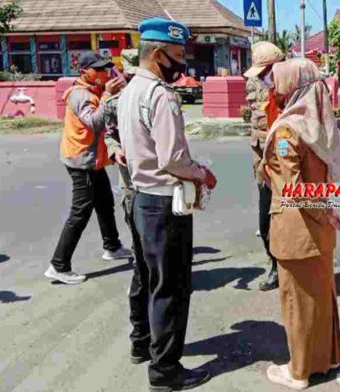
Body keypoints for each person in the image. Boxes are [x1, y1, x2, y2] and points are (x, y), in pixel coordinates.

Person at [118, 17, 217, 391]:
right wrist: (202, 173)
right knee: (171, 289)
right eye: (177, 55)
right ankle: (166, 372)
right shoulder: (160, 95)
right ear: (157, 54)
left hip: (140, 199)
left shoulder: (129, 91)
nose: (181, 64)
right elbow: (173, 157)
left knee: (147, 281)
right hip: (163, 204)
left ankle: (142, 345)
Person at [263, 59, 340, 390]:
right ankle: (327, 359)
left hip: (298, 232)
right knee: (320, 299)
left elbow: (293, 190)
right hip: (319, 230)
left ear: (291, 89)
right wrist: (326, 212)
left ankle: (298, 372)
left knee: (298, 303)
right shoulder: (316, 125)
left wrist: (323, 212)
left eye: (279, 85)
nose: (275, 91)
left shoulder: (287, 130)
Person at [44, 52, 131, 285]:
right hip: (82, 161)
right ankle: (58, 265)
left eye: (106, 69)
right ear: (85, 72)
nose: (105, 73)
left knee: (104, 203)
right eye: (100, 69)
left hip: (93, 160)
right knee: (80, 212)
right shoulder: (81, 95)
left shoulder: (92, 90)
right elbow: (94, 122)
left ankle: (112, 247)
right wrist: (106, 96)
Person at [244, 41, 285, 291]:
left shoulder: (294, 84)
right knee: (265, 213)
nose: (260, 77)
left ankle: (289, 266)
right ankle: (274, 264)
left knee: (287, 214)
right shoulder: (252, 82)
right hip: (261, 153)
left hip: (284, 155)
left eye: (264, 71)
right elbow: (253, 113)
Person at [102, 49, 138, 236]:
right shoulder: (113, 103)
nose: (132, 80)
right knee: (131, 210)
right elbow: (109, 135)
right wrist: (115, 150)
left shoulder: (160, 97)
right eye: (129, 75)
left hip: (157, 171)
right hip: (128, 170)